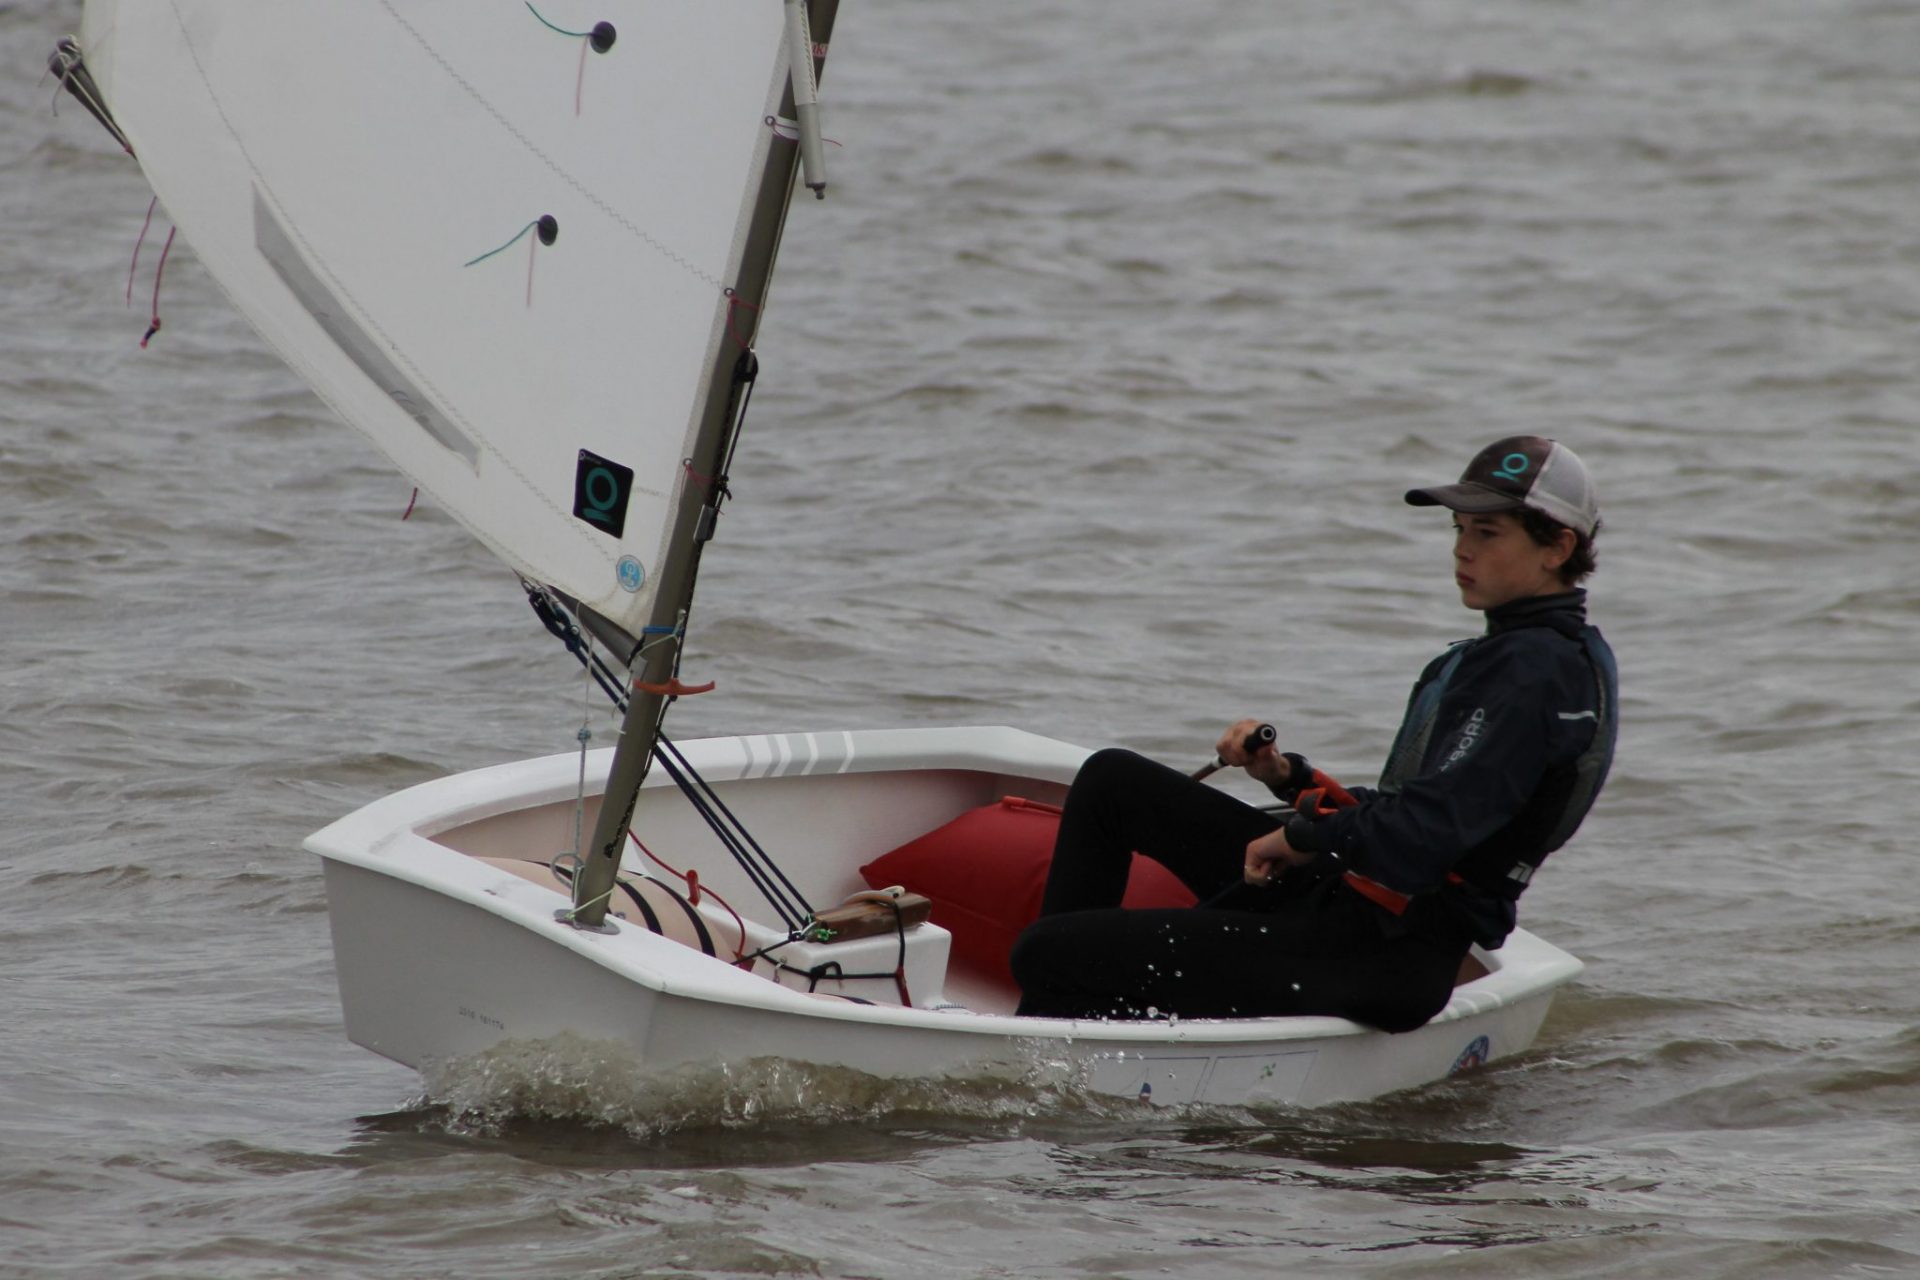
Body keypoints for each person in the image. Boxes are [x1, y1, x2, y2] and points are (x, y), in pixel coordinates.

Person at [1010, 436, 1618, 1032]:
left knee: (1047, 949)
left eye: (1487, 533)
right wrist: (1290, 778)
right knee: (1112, 781)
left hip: (1384, 951)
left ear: (1557, 547)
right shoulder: (1539, 654)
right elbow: (1425, 807)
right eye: (1458, 528)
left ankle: (1059, 1043)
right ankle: (1070, 1020)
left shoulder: (1531, 673)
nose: (1462, 549)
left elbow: (1422, 836)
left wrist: (1303, 834)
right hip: (1353, 898)